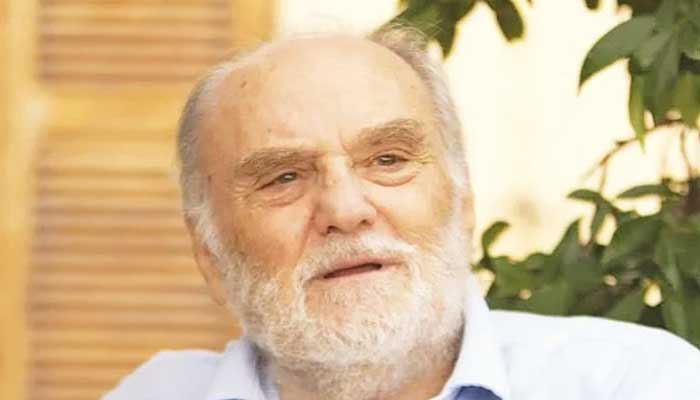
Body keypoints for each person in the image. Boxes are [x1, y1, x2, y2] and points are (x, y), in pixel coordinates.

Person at [104, 27, 700, 400]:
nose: (345, 210)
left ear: (463, 205)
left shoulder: (640, 383)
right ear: (210, 255)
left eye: (388, 160)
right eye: (284, 177)